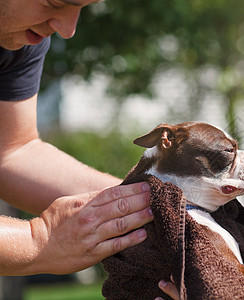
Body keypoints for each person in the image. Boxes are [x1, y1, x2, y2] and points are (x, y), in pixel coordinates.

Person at [0, 0, 153, 275]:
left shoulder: (18, 38)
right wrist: (38, 241)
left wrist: (155, 205)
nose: (68, 29)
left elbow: (12, 151)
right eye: (54, 3)